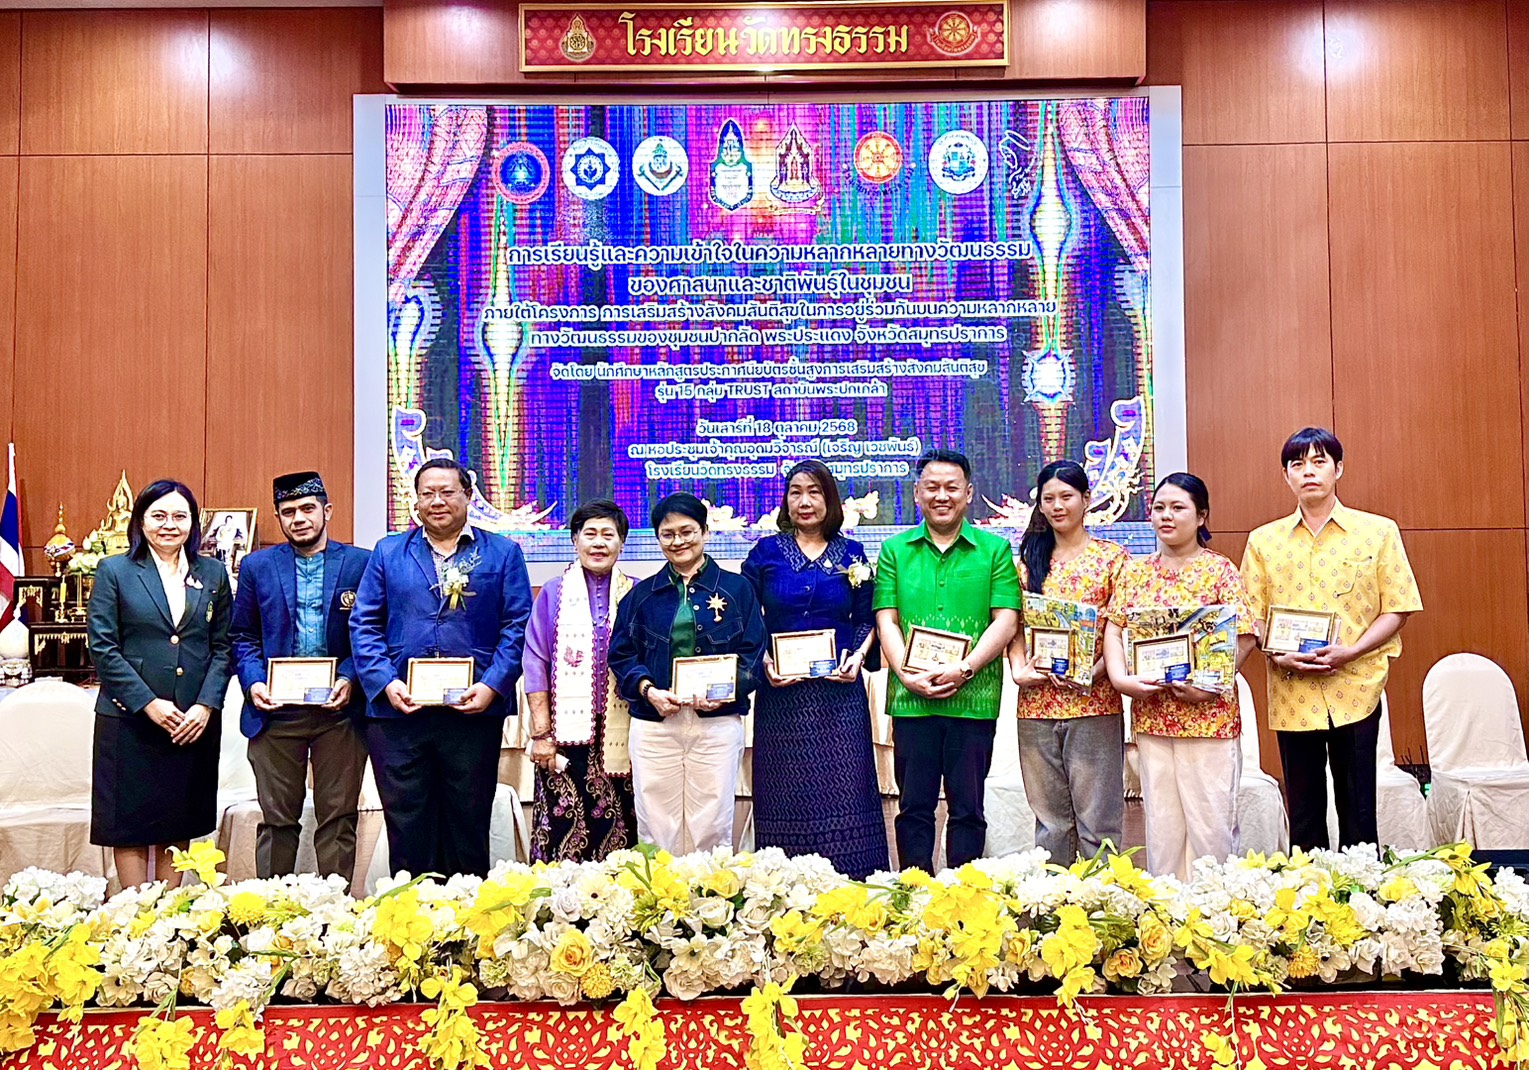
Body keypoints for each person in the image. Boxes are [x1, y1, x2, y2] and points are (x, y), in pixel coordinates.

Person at [349, 458, 532, 877]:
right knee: (407, 826)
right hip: (399, 714)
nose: (437, 501)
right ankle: (412, 926)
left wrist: (492, 686)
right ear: (415, 501)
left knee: (467, 825)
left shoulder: (502, 554)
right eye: (427, 493)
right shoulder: (389, 551)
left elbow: (516, 625)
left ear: (468, 495)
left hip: (472, 713)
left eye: (447, 492)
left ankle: (468, 928)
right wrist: (384, 682)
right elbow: (364, 623)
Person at [1241, 427, 1422, 850]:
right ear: (1286, 475)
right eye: (1297, 464)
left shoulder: (1377, 532)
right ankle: (1309, 906)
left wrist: (1352, 651)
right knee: (1304, 812)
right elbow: (1251, 616)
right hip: (1292, 691)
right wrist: (1278, 655)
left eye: (1319, 461)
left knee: (1359, 812)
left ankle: (1361, 904)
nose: (1309, 472)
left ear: (1338, 469)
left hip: (1356, 686)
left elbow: (1397, 607)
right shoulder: (1263, 541)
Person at [1102, 473, 1257, 880]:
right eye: (1158, 508)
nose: (1165, 516)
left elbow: (1245, 636)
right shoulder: (1136, 572)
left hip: (1209, 719)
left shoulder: (1219, 570)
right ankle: (1168, 919)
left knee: (1211, 824)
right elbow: (1115, 629)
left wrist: (1209, 686)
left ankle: (1215, 915)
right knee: (1163, 823)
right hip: (1154, 716)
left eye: (1178, 507)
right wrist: (1120, 680)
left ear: (1201, 515)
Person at [874, 450, 1020, 874]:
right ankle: (915, 896)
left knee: (968, 810)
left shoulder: (994, 550)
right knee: (914, 807)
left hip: (972, 698)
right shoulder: (894, 551)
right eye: (932, 487)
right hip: (912, 701)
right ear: (917, 493)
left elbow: (1006, 620)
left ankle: (965, 900)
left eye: (951, 487)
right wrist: (906, 675)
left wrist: (965, 668)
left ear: (969, 493)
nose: (942, 496)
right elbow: (887, 618)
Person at [741, 460, 887, 878]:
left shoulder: (852, 553)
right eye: (795, 492)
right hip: (781, 694)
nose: (804, 502)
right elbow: (747, 617)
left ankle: (853, 886)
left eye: (815, 492)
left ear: (830, 499)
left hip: (839, 693)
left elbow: (866, 616)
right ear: (786, 501)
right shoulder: (766, 553)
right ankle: (783, 890)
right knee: (785, 791)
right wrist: (762, 661)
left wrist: (859, 655)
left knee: (845, 790)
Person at [87, 479, 234, 887]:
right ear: (141, 520)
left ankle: (168, 923)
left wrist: (205, 706)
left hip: (191, 721)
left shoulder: (213, 573)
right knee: (128, 824)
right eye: (159, 515)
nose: (169, 525)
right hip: (130, 719)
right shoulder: (115, 570)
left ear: (193, 523)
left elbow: (224, 647)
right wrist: (149, 703)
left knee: (177, 820)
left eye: (179, 516)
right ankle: (136, 923)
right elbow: (103, 647)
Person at [230, 472, 372, 880]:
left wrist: (348, 677)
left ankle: (336, 916)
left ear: (327, 511)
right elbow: (242, 635)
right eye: (288, 512)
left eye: (308, 509)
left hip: (339, 713)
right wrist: (254, 681)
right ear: (278, 517)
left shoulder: (360, 563)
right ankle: (271, 912)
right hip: (275, 713)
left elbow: (372, 632)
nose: (299, 519)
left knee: (338, 818)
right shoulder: (258, 566)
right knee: (277, 821)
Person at [608, 492, 766, 854]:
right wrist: (648, 690)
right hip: (655, 722)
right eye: (668, 534)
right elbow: (621, 654)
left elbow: (753, 654)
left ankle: (710, 903)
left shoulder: (737, 589)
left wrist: (722, 692)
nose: (678, 541)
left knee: (712, 821)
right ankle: (661, 901)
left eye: (687, 531)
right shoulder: (641, 596)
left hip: (717, 721)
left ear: (705, 531)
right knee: (655, 821)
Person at [1009, 460, 1130, 865]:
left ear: (1086, 500)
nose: (1058, 506)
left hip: (1095, 703)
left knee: (1099, 822)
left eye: (1067, 496)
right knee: (1051, 825)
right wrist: (1019, 669)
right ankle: (1053, 912)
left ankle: (1102, 913)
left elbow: (1123, 630)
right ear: (1040, 506)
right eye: (1049, 499)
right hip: (1037, 708)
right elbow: (1012, 627)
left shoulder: (1114, 561)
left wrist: (1091, 674)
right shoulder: (1025, 563)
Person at [522, 499, 639, 862]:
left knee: (621, 829)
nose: (599, 543)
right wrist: (541, 735)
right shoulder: (554, 594)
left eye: (609, 535)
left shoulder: (637, 592)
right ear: (575, 541)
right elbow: (536, 661)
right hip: (563, 734)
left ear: (622, 543)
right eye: (590, 534)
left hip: (623, 733)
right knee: (561, 829)